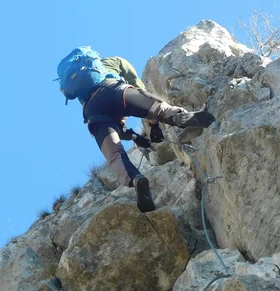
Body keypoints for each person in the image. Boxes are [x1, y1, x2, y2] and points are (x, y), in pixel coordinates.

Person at [57, 48, 215, 213]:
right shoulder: (111, 62)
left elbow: (116, 128)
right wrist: (153, 123)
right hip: (115, 90)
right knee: (158, 109)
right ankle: (178, 116)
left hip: (93, 113)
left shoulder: (83, 94)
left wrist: (134, 136)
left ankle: (135, 178)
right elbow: (139, 90)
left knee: (115, 155)